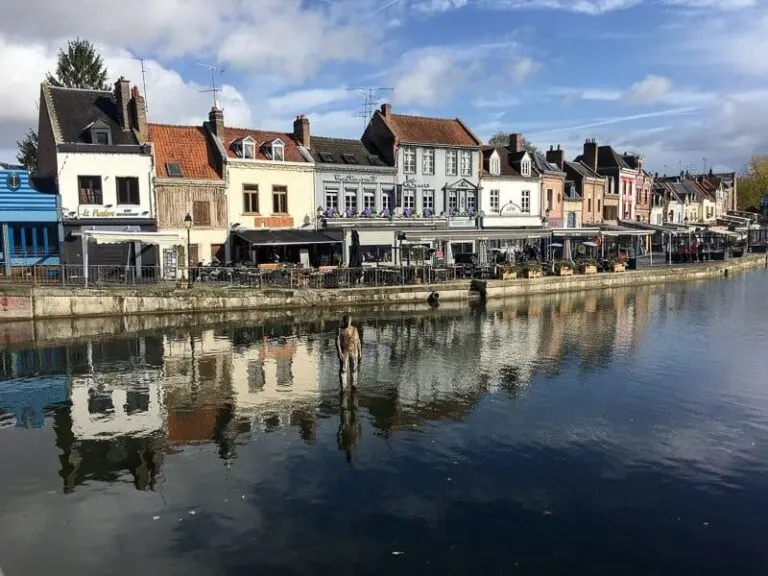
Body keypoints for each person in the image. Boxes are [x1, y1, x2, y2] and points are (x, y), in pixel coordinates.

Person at [336, 314, 362, 389]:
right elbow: (337, 341)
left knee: (354, 368)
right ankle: (343, 386)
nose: (348, 323)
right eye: (347, 321)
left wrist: (360, 351)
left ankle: (354, 385)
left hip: (354, 351)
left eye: (349, 321)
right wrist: (339, 352)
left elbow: (358, 340)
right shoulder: (340, 330)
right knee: (343, 369)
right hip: (345, 351)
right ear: (344, 321)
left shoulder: (355, 329)